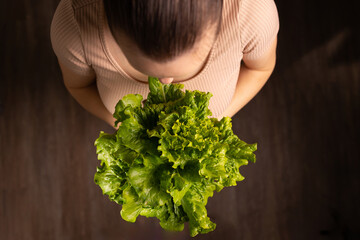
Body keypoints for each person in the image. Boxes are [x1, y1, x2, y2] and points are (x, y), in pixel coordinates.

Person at [50, 0, 279, 128]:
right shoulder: (75, 27)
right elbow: (78, 86)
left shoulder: (252, 12)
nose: (166, 83)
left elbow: (260, 68)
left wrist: (217, 121)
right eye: (145, 69)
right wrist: (118, 125)